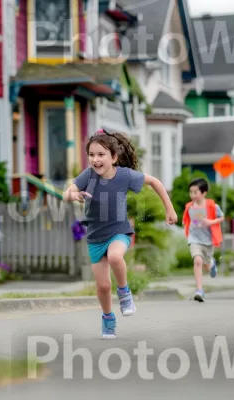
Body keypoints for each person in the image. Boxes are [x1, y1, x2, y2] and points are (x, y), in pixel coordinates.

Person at [63, 128, 178, 339]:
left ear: (114, 158)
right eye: (91, 155)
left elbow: (154, 182)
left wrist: (169, 209)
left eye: (101, 155)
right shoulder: (88, 175)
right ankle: (108, 318)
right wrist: (75, 194)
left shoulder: (124, 176)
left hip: (119, 231)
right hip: (96, 236)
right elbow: (67, 192)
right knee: (103, 286)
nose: (95, 160)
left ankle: (124, 292)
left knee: (116, 256)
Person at [182, 178, 224, 302]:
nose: (192, 195)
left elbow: (221, 217)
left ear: (204, 193)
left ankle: (211, 264)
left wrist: (211, 222)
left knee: (206, 263)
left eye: (195, 192)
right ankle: (199, 290)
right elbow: (186, 220)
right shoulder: (189, 206)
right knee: (197, 260)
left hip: (208, 240)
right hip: (194, 239)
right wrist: (186, 229)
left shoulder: (212, 205)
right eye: (191, 192)